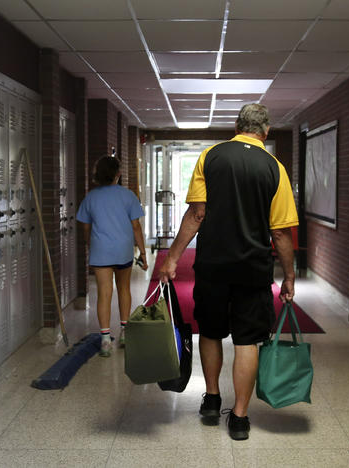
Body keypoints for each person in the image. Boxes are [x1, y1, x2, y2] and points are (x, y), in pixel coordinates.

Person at [158, 103, 298, 441]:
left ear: (236, 126)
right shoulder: (275, 167)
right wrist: (289, 276)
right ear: (265, 132)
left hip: (213, 265)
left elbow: (196, 214)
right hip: (253, 268)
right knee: (248, 340)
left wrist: (173, 257)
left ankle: (210, 399)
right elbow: (279, 233)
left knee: (210, 331)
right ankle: (239, 417)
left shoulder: (211, 156)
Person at [76, 156, 148, 357]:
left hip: (101, 251)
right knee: (124, 289)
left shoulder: (91, 197)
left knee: (104, 293)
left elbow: (85, 226)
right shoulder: (128, 196)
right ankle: (124, 332)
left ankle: (106, 339)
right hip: (123, 250)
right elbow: (136, 226)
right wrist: (142, 253)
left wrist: (89, 242)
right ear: (118, 174)